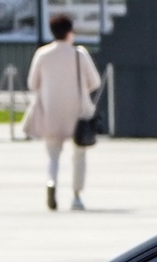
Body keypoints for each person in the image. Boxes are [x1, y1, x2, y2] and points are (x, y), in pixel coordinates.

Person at [24, 13, 103, 211]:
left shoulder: (42, 54)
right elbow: (95, 82)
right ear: (70, 32)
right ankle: (76, 196)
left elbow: (32, 83)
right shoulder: (79, 54)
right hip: (77, 115)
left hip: (50, 113)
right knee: (79, 155)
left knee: (52, 155)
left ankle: (51, 183)